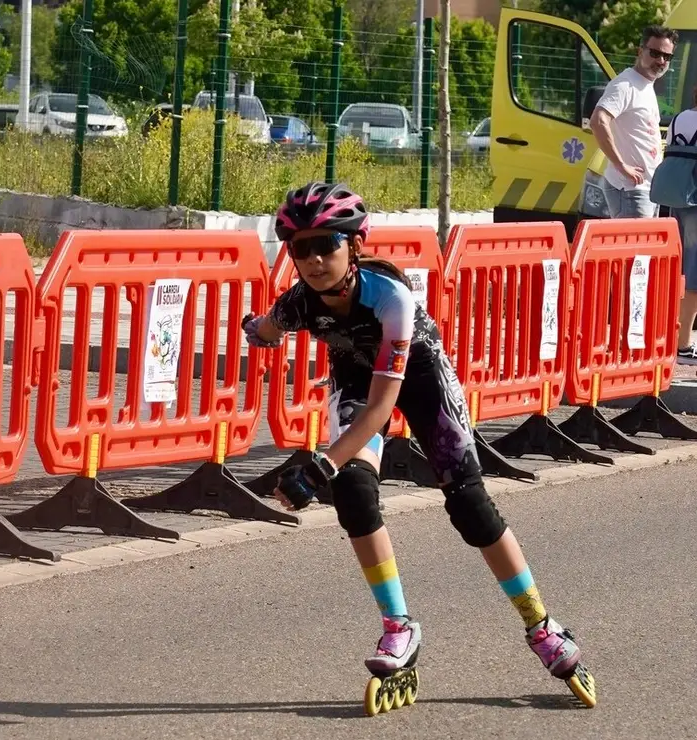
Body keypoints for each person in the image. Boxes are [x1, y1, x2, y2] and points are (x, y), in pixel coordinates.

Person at [241, 182, 597, 715]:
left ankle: (542, 626)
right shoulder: (299, 302)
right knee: (355, 493)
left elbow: (384, 409)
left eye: (326, 246)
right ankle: (398, 627)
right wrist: (256, 331)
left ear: (354, 245)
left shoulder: (391, 299)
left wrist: (319, 466)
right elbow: (267, 326)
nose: (314, 260)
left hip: (419, 379)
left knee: (470, 507)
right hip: (358, 380)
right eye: (300, 249)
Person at [589, 25, 677, 219]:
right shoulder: (625, 85)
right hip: (630, 189)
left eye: (667, 56)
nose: (661, 61)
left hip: (646, 189)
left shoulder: (645, 85)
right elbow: (598, 121)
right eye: (654, 53)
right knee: (635, 249)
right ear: (640, 51)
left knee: (643, 249)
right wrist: (622, 166)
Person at [652, 89, 697, 364]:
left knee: (680, 269)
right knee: (694, 275)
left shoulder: (679, 118)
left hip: (675, 199)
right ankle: (683, 347)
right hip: (695, 200)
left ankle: (671, 338)